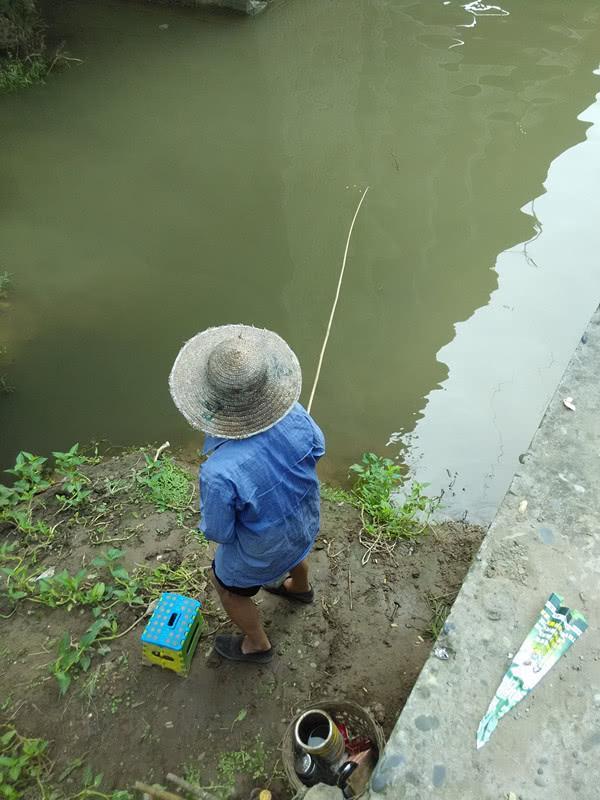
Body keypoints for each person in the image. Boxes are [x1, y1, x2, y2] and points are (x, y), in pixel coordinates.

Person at [169, 323, 325, 663]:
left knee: (225, 585)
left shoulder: (218, 473)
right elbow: (318, 449)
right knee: (295, 548)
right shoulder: (295, 413)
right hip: (304, 523)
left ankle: (256, 643)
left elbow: (219, 532)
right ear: (266, 386)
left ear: (209, 399)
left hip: (262, 548)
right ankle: (299, 589)